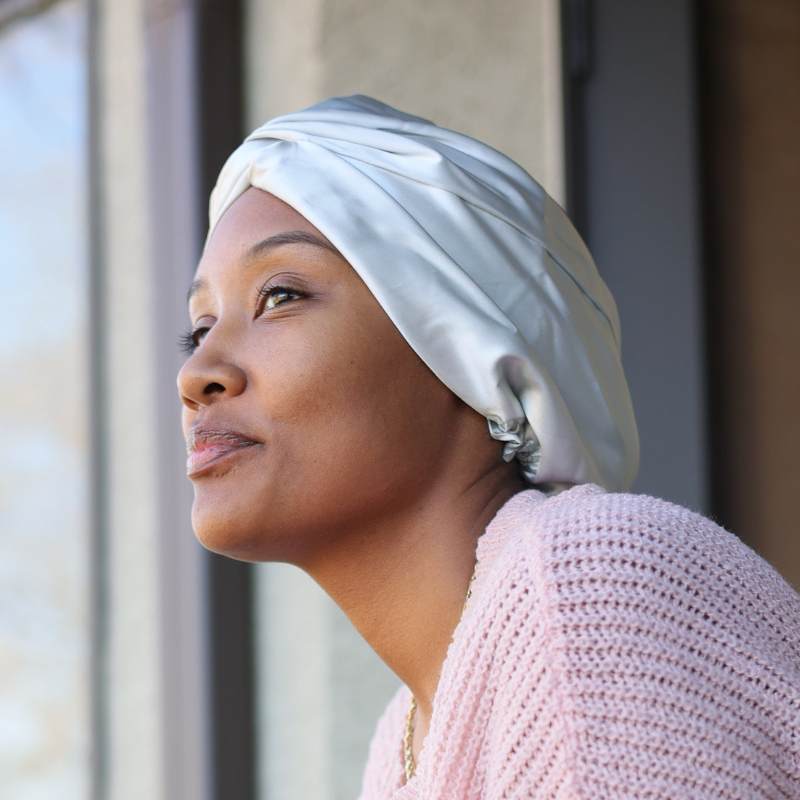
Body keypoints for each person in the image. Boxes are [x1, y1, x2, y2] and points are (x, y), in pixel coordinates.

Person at [177, 95, 800, 798]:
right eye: (198, 329)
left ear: (466, 348)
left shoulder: (586, 586)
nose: (198, 374)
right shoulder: (406, 741)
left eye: (281, 295)